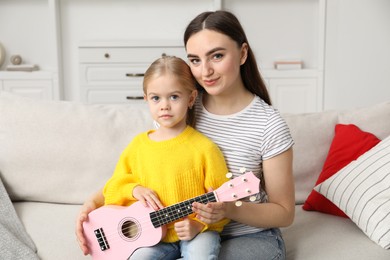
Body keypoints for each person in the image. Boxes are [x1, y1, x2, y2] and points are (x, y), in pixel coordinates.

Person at [76, 10, 295, 260]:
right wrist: (92, 206)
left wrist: (227, 210)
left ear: (242, 53)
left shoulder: (268, 123)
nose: (205, 71)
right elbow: (143, 168)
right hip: (176, 234)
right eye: (195, 60)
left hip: (249, 236)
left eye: (217, 56)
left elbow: (284, 212)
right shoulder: (181, 105)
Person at [90, 56, 230, 259]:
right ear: (146, 99)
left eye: (174, 97)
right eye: (156, 98)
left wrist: (200, 224)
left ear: (190, 99)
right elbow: (113, 187)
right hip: (149, 236)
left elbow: (221, 203)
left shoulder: (205, 149)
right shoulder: (138, 146)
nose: (164, 106)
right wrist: (134, 189)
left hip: (197, 232)